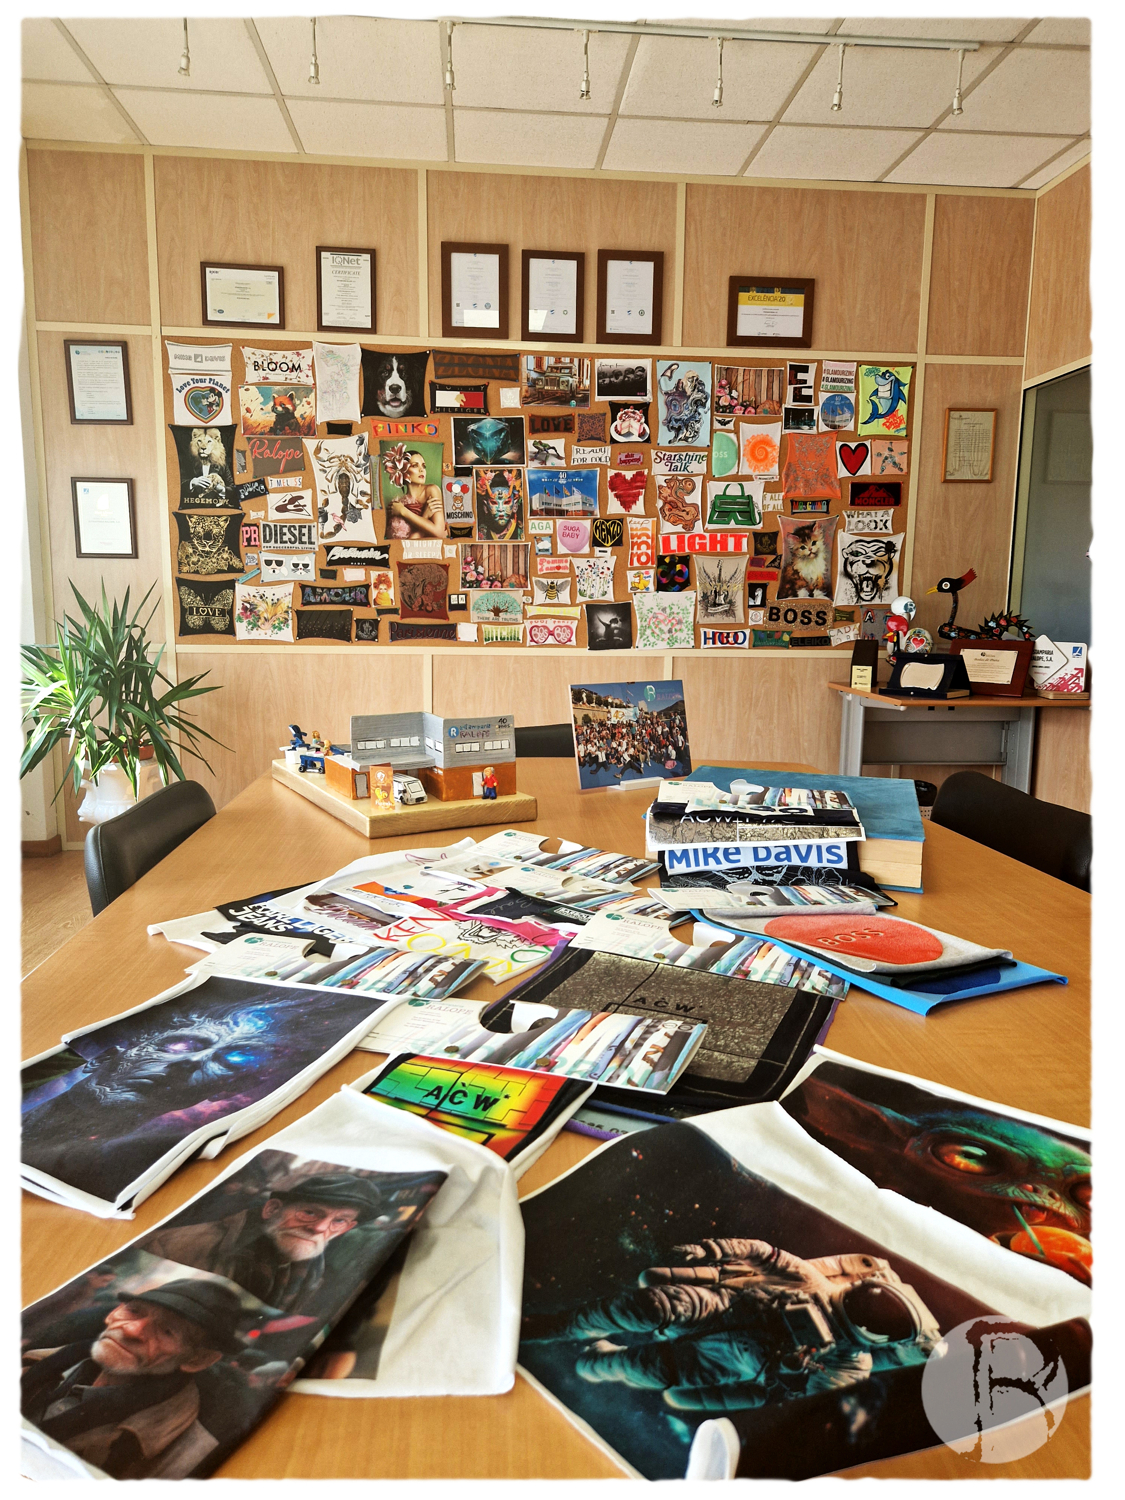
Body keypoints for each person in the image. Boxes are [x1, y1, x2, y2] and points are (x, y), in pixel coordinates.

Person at [522, 1237, 939, 1414]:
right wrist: (711, 1250)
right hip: (716, 1308)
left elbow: (807, 1403)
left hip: (717, 1363)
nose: (868, 1312)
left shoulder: (849, 1365)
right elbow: (764, 1253)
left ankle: (594, 1362)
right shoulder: (812, 1282)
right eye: (873, 1303)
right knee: (648, 1306)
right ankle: (556, 1327)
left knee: (640, 1369)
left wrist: (794, 1373)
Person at [22, 1279, 243, 1479]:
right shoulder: (33, 1363)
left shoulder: (185, 1453)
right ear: (114, 1312)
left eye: (167, 1331)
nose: (131, 1330)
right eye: (134, 1311)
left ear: (198, 1360)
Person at [140, 1173, 386, 1316]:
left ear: (346, 1229)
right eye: (310, 1212)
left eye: (338, 1221)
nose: (320, 1228)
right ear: (272, 1209)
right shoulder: (178, 1244)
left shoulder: (312, 1273)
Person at [385, 448, 446, 540]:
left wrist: (403, 511)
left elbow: (440, 533)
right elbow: (408, 543)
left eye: (423, 466)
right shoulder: (398, 504)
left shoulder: (432, 490)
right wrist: (425, 516)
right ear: (402, 471)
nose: (422, 470)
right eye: (415, 466)